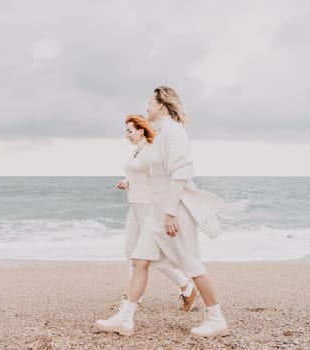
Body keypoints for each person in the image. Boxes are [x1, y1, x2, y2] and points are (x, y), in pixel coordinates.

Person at [96, 86, 240, 337]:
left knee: (192, 265)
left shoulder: (175, 133)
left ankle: (217, 319)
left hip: (174, 211)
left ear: (161, 105)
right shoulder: (157, 134)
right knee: (140, 260)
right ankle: (125, 319)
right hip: (157, 211)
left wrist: (171, 213)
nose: (147, 108)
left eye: (150, 103)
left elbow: (180, 173)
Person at [115, 114, 198, 311]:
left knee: (153, 255)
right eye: (126, 131)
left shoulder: (150, 150)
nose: (127, 135)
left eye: (130, 131)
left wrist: (170, 208)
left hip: (147, 207)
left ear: (141, 130)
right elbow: (135, 174)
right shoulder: (137, 151)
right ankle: (135, 297)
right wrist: (126, 182)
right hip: (133, 205)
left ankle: (187, 287)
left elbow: (159, 178)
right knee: (130, 252)